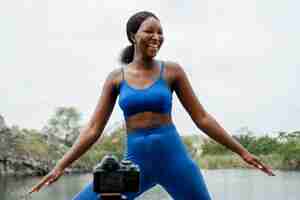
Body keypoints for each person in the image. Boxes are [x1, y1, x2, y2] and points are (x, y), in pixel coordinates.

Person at [29, 11, 275, 200]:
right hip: (134, 168)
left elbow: (202, 118)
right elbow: (93, 129)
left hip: (176, 164)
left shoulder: (172, 72)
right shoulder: (116, 78)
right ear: (133, 36)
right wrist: (60, 166)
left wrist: (242, 151)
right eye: (150, 31)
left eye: (160, 32)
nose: (156, 37)